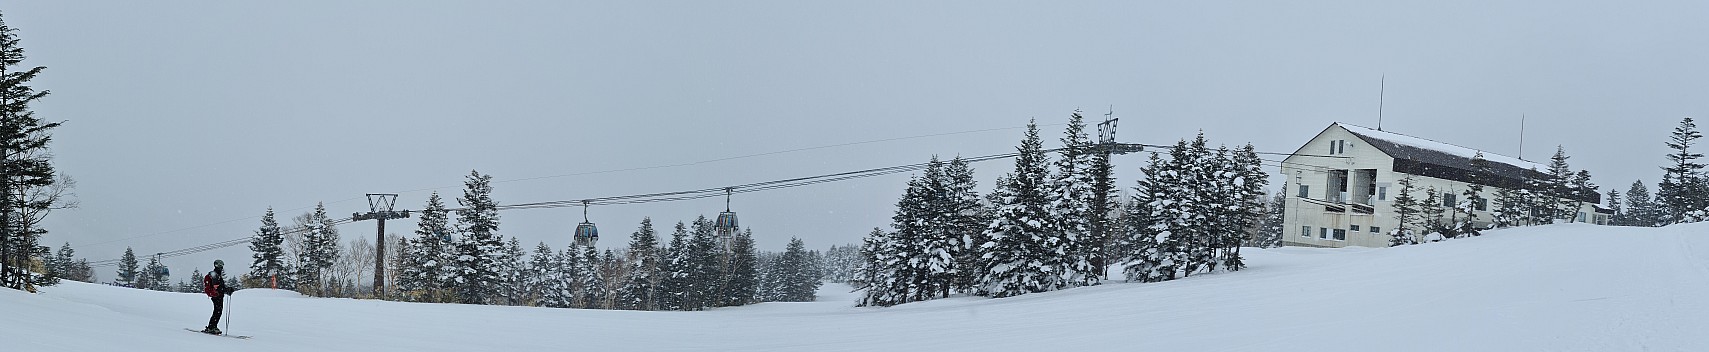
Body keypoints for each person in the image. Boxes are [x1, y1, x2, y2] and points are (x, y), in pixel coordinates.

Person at [201, 259, 236, 334]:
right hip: (216, 296)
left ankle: (212, 326)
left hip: (218, 295)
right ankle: (211, 327)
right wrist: (224, 290)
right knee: (217, 311)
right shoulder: (214, 275)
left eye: (222, 265)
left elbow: (220, 287)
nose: (221, 267)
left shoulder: (217, 275)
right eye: (220, 265)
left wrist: (227, 290)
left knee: (218, 311)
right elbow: (218, 287)